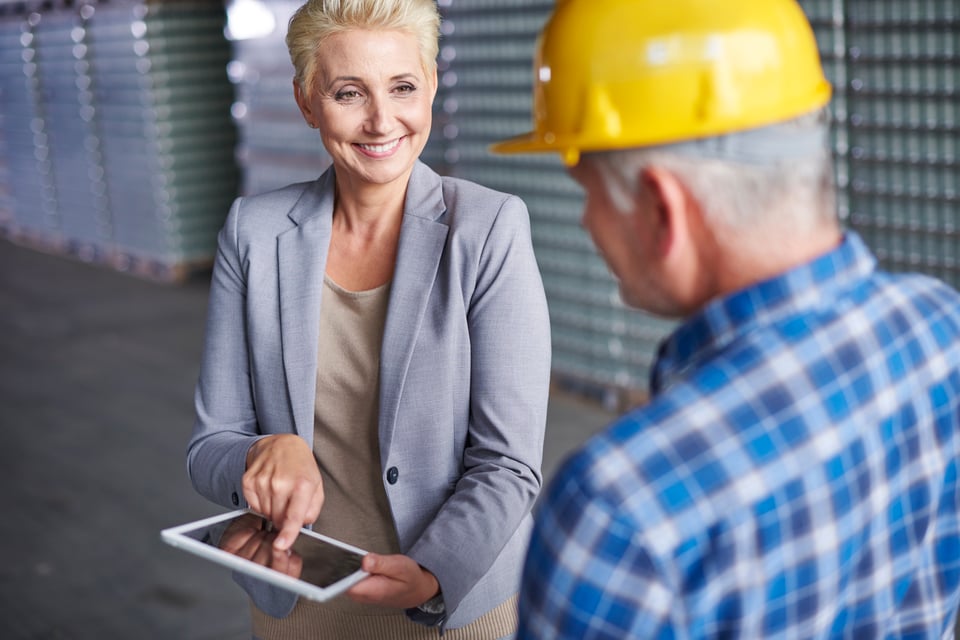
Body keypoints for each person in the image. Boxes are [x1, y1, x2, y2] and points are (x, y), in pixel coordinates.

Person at [493, 0, 960, 637]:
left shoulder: (621, 512)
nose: (585, 221)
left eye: (588, 191)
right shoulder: (941, 330)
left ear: (662, 209)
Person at [187, 0, 551, 637]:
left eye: (403, 87)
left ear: (431, 85)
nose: (382, 120)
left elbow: (508, 463)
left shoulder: (489, 229)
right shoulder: (254, 232)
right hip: (297, 599)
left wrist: (435, 570)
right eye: (348, 92)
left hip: (448, 604)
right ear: (306, 102)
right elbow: (209, 446)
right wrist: (261, 454)